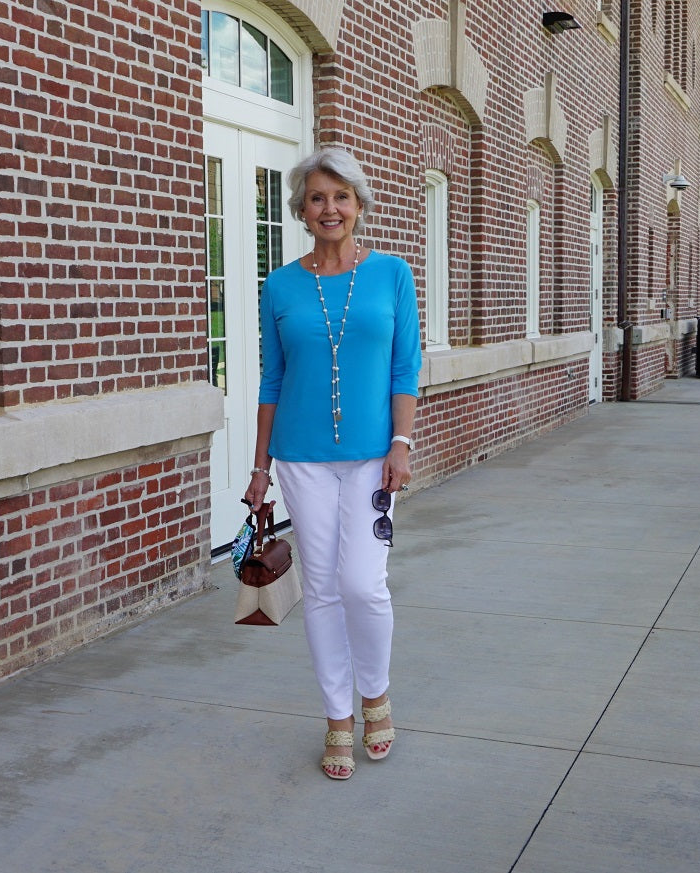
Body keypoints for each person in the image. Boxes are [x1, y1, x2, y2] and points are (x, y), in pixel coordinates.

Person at [244, 147, 421, 780]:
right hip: (301, 459)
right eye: (317, 197)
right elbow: (272, 379)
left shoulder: (393, 275)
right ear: (301, 209)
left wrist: (402, 443)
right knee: (320, 589)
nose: (330, 208)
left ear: (359, 204)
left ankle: (375, 696)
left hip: (374, 458)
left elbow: (405, 369)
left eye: (341, 196)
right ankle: (336, 719)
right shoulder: (280, 285)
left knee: (362, 585)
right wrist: (261, 468)